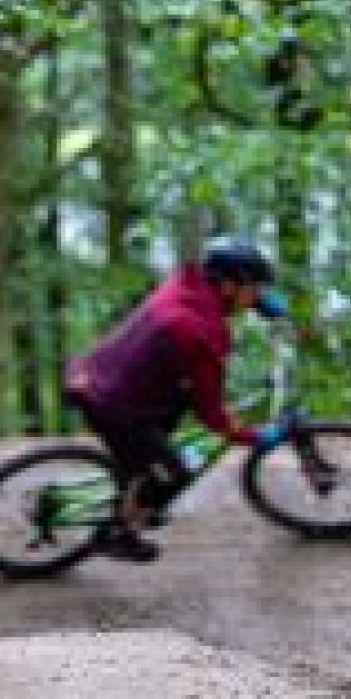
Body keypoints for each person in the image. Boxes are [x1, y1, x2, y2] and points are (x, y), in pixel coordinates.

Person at [63, 235, 290, 562]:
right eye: (255, 287)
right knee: (176, 473)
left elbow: (217, 303)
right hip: (113, 404)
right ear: (228, 286)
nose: (260, 293)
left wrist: (257, 303)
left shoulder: (186, 285)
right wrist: (254, 436)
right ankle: (116, 533)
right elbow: (213, 418)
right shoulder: (199, 332)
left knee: (168, 423)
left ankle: (140, 484)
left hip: (100, 373)